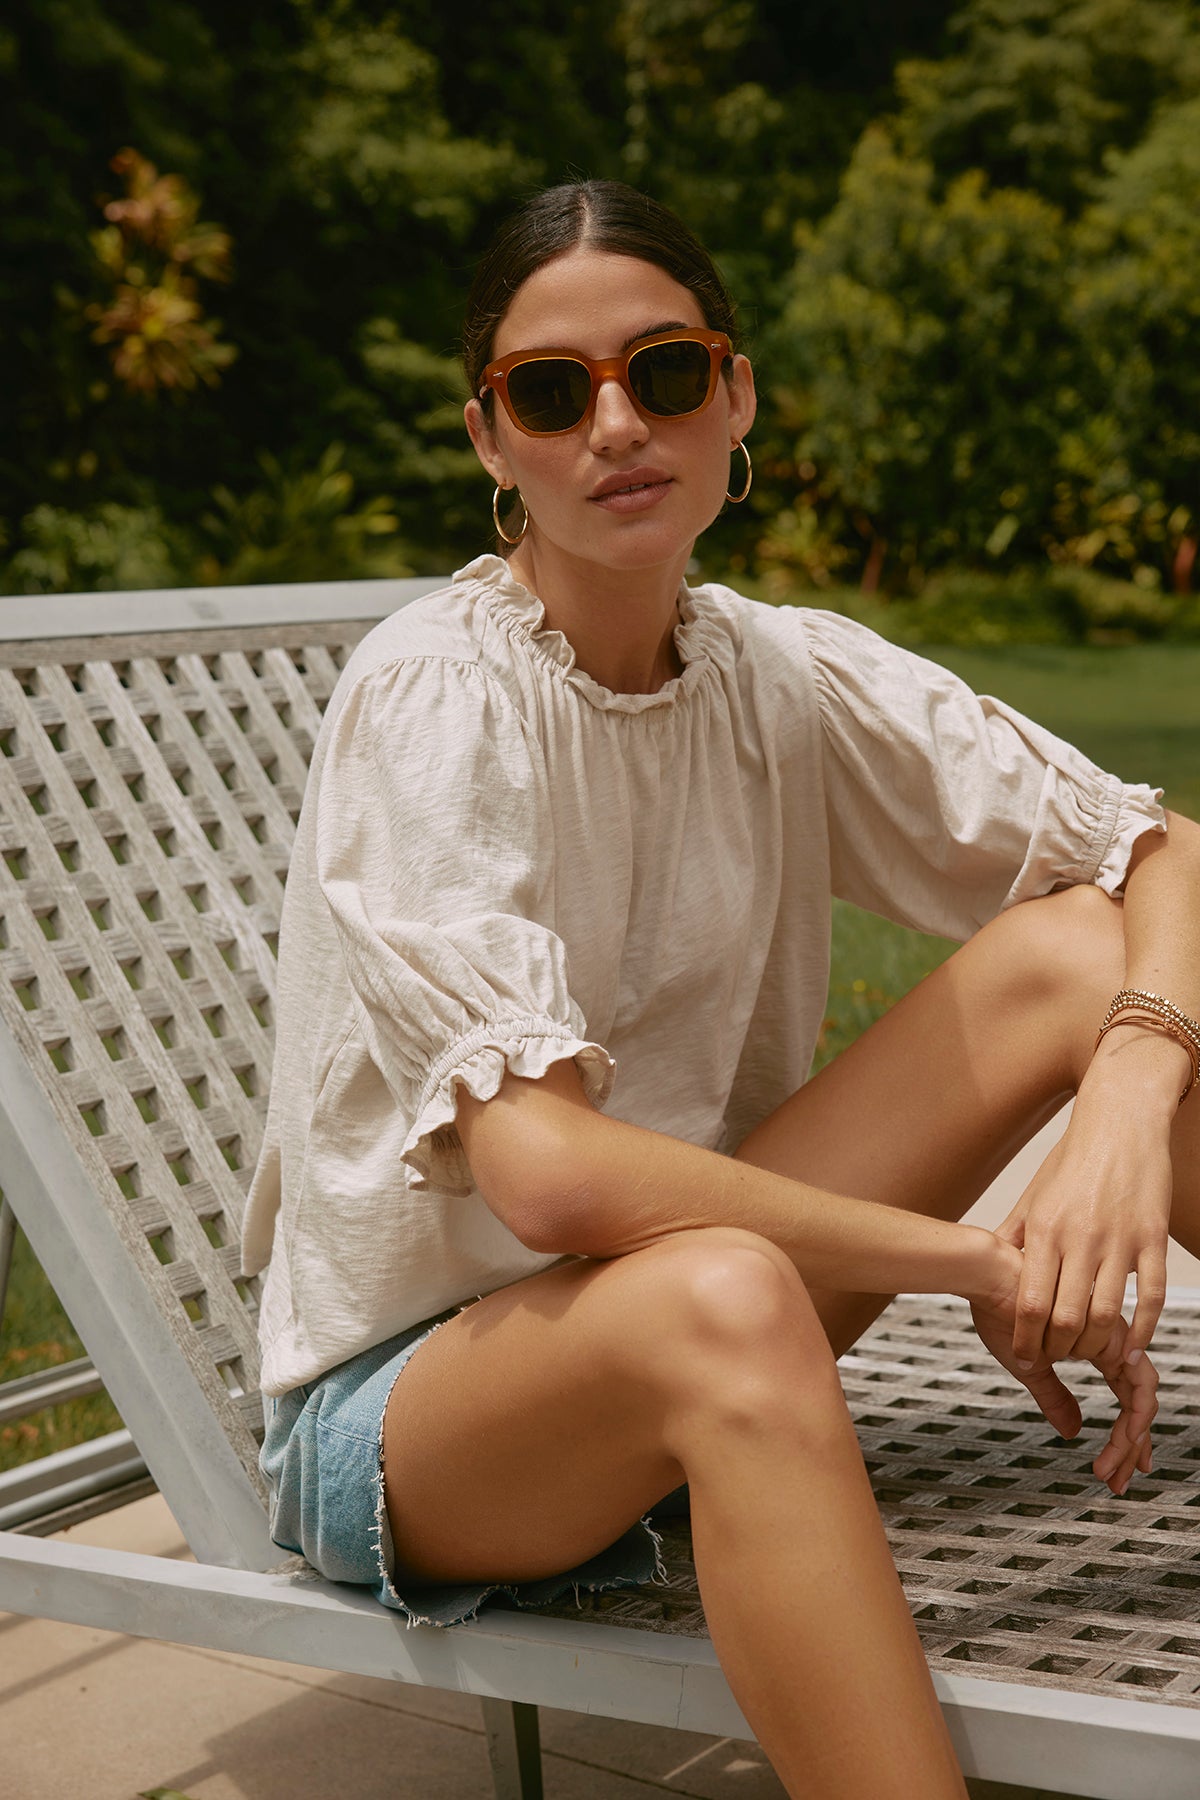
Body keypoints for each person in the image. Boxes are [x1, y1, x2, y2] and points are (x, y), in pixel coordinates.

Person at [241, 179, 1200, 1799]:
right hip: (422, 1416)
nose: (617, 424)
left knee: (1081, 961)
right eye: (554, 393)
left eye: (664, 372)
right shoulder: (434, 698)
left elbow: (1157, 848)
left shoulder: (778, 668)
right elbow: (546, 1177)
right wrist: (983, 1255)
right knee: (728, 1294)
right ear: (494, 442)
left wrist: (1127, 1090)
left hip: (699, 1300)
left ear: (735, 394)